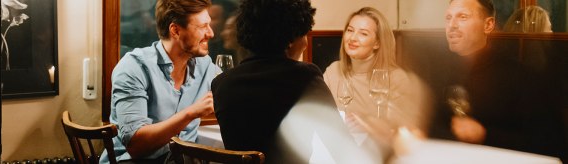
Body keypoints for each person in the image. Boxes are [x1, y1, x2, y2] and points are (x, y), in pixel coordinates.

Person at [212, 0, 373, 163]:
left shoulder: (221, 83)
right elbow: (343, 149)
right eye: (304, 35)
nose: (305, 43)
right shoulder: (305, 77)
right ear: (290, 39)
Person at [442, 0, 566, 160]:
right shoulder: (439, 69)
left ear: (488, 25)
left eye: (463, 17)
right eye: (448, 18)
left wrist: (484, 134)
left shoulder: (519, 76)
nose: (452, 25)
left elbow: (550, 143)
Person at [103, 0, 220, 163]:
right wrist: (191, 112)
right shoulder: (134, 67)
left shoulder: (205, 65)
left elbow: (233, 91)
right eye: (202, 26)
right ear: (175, 30)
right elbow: (136, 146)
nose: (211, 33)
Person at [323, 7, 432, 145]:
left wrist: (372, 126)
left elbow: (409, 133)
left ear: (377, 43)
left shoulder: (397, 79)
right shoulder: (333, 71)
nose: (353, 38)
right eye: (350, 30)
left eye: (363, 33)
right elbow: (321, 116)